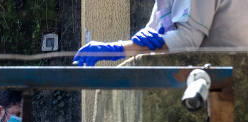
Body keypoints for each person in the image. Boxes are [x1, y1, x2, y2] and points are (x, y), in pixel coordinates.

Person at [73, 0, 248, 66]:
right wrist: (138, 41)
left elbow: (186, 40)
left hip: (232, 79)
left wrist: (115, 49)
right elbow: (154, 33)